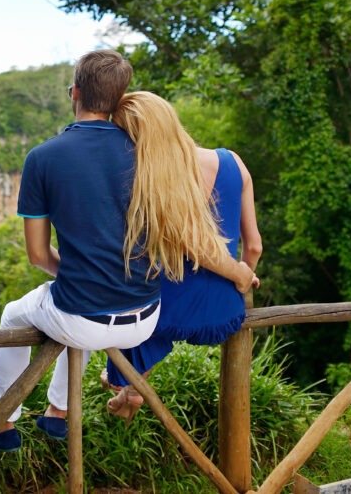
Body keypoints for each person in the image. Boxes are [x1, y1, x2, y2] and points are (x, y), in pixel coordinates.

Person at [0, 53, 255, 453]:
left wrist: (80, 273)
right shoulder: (147, 153)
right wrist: (237, 271)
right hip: (146, 316)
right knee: (75, 309)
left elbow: (39, 256)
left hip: (88, 318)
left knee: (16, 314)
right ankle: (57, 413)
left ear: (74, 93)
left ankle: (2, 425)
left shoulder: (42, 157)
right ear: (120, 97)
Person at [101, 91, 263, 422]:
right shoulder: (232, 161)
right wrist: (242, 282)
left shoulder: (149, 178)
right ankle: (128, 386)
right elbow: (255, 247)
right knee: (149, 312)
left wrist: (237, 274)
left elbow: (194, 246)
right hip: (226, 314)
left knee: (129, 306)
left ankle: (125, 381)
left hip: (168, 312)